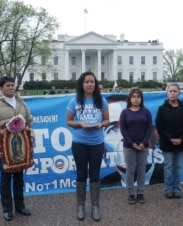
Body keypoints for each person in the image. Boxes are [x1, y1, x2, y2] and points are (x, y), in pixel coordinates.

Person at [0, 76, 34, 221]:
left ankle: (20, 206)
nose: (11, 87)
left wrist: (31, 137)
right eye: (8, 85)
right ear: (1, 88)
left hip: (21, 151)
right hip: (4, 152)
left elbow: (30, 122)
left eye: (13, 85)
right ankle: (7, 209)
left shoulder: (22, 104)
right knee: (6, 180)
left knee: (19, 179)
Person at [66, 71, 109, 221]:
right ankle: (80, 206)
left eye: (92, 82)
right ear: (82, 84)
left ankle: (95, 206)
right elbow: (69, 121)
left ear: (96, 84)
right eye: (87, 82)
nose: (90, 84)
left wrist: (100, 124)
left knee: (95, 174)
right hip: (79, 143)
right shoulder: (74, 101)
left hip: (97, 143)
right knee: (81, 174)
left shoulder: (101, 100)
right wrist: (80, 124)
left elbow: (107, 120)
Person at [155, 83, 183, 199]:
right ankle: (169, 189)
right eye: (170, 91)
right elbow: (159, 126)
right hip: (168, 143)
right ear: (167, 93)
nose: (172, 93)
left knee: (178, 167)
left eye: (175, 91)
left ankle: (176, 188)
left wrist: (182, 139)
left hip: (182, 143)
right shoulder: (162, 109)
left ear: (179, 93)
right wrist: (170, 138)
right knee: (168, 166)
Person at [119, 88, 152, 204]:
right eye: (134, 97)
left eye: (138, 97)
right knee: (130, 170)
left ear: (141, 99)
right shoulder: (125, 112)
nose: (136, 99)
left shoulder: (146, 112)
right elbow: (122, 129)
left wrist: (143, 143)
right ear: (130, 99)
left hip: (143, 146)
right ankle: (131, 193)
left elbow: (149, 128)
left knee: (141, 169)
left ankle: (141, 192)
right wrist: (131, 143)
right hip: (129, 146)